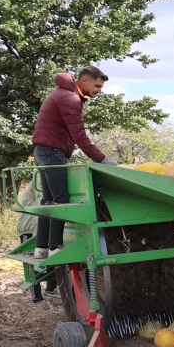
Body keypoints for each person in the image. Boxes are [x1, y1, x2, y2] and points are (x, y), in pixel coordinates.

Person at [31, 66, 116, 262]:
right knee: (60, 200)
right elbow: (79, 135)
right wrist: (103, 160)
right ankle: (55, 248)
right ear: (84, 80)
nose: (99, 90)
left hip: (44, 150)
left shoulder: (65, 94)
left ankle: (42, 248)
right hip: (52, 152)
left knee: (48, 201)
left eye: (101, 87)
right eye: (97, 85)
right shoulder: (70, 99)